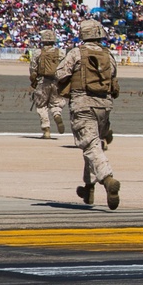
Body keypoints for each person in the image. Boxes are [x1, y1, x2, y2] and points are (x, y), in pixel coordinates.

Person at [56, 19, 121, 210]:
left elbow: (60, 74)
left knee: (91, 145)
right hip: (104, 106)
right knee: (91, 145)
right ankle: (88, 188)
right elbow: (114, 79)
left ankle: (108, 179)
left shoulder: (76, 53)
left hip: (83, 105)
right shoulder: (108, 55)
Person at [29, 29, 67, 139]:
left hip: (43, 81)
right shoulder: (61, 53)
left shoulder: (38, 53)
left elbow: (33, 69)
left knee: (41, 106)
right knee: (56, 103)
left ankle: (46, 130)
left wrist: (33, 82)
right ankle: (56, 114)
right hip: (57, 81)